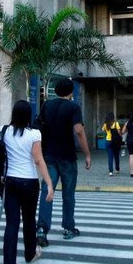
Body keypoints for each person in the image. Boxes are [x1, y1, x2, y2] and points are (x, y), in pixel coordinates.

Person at [36, 78, 91, 247]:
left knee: (47, 191)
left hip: (49, 156)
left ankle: (41, 230)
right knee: (68, 194)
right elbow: (78, 131)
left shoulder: (46, 105)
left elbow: (38, 126)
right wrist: (87, 154)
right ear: (70, 92)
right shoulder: (73, 107)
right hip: (67, 156)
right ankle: (68, 227)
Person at [2, 100, 55, 264]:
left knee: (11, 223)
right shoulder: (34, 134)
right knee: (29, 220)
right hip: (29, 182)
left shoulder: (4, 131)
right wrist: (49, 183)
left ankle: (9, 262)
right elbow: (38, 160)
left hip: (10, 181)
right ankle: (30, 253)